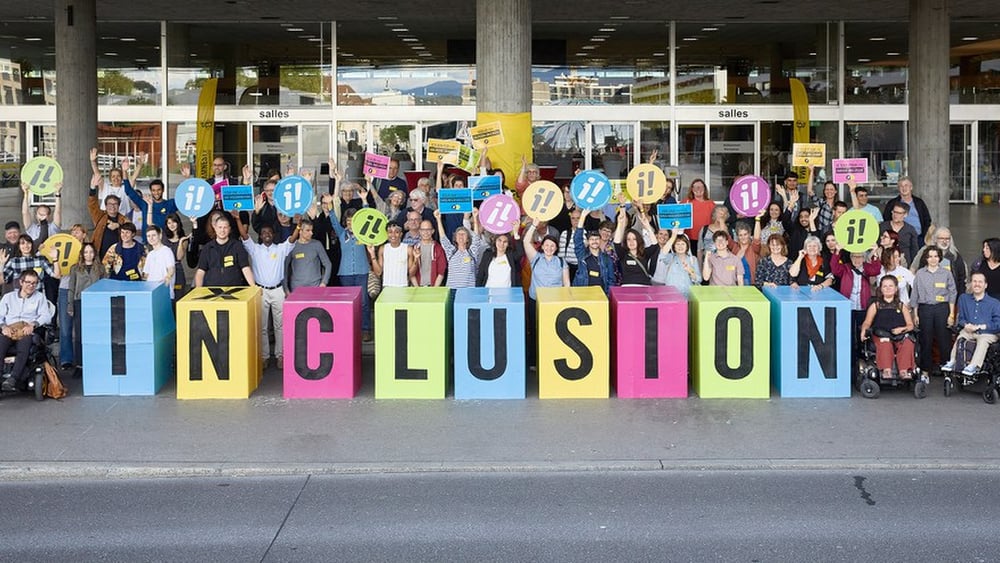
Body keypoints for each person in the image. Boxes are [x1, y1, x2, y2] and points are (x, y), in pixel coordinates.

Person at [237, 216, 295, 368]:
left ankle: (280, 356)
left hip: (278, 290)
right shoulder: (255, 249)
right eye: (264, 232)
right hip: (260, 291)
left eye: (269, 232)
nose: (267, 234)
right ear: (260, 236)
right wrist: (237, 218)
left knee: (280, 325)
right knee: (262, 326)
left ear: (273, 234)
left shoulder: (281, 248)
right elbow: (244, 235)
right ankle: (264, 356)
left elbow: (293, 238)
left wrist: (299, 223)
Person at [523, 219, 570, 368]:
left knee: (553, 332)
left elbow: (566, 283)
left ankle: (551, 361)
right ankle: (534, 361)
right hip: (535, 301)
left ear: (556, 248)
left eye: (552, 246)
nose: (549, 248)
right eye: (547, 245)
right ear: (542, 246)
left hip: (554, 304)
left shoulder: (562, 262)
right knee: (535, 331)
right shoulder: (536, 259)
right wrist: (534, 225)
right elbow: (525, 241)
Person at [0, 270, 53, 392]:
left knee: (26, 340)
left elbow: (46, 316)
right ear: (21, 282)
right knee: (1, 341)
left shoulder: (40, 297)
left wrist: (33, 324)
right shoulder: (8, 297)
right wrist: (3, 327)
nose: (31, 286)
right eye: (28, 282)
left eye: (34, 283)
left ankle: (14, 378)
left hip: (27, 330)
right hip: (9, 329)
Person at [941, 272, 1000, 376]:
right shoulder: (964, 299)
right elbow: (961, 319)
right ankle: (952, 361)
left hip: (987, 332)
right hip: (969, 330)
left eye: (980, 282)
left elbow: (998, 324)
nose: (977, 284)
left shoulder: (994, 303)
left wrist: (982, 326)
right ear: (971, 284)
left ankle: (974, 366)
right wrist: (965, 325)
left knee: (983, 340)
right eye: (974, 281)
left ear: (985, 285)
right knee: (961, 337)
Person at [860, 275, 917, 380]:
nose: (888, 288)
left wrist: (902, 329)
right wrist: (864, 330)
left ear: (896, 289)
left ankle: (904, 371)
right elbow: (867, 322)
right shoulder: (875, 305)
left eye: (891, 286)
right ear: (881, 289)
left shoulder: (901, 306)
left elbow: (910, 325)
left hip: (899, 334)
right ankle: (887, 370)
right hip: (881, 334)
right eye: (885, 286)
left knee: (908, 343)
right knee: (885, 343)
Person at [910, 246, 957, 375]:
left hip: (942, 308)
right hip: (925, 309)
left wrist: (951, 314)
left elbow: (953, 293)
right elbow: (915, 294)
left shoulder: (946, 273)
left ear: (940, 258)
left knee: (944, 339)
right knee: (926, 339)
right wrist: (915, 314)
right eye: (930, 256)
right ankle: (925, 369)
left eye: (936, 256)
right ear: (926, 258)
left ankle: (946, 367)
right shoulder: (920, 273)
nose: (933, 259)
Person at [330, 208, 374, 341]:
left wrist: (365, 202)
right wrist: (331, 208)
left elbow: (368, 219)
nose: (350, 224)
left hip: (362, 271)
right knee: (347, 303)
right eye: (348, 221)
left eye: (353, 221)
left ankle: (365, 329)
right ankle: (348, 329)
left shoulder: (363, 234)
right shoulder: (342, 233)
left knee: (364, 302)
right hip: (345, 273)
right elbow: (334, 223)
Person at [66, 243, 104, 372]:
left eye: (91, 252)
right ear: (82, 254)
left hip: (96, 303)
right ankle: (80, 365)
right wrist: (70, 305)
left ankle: (96, 362)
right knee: (80, 334)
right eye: (86, 252)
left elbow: (105, 286)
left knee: (96, 332)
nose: (89, 255)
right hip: (80, 301)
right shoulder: (75, 268)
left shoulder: (100, 268)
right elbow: (71, 287)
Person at [194, 213, 255, 287]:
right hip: (211, 291)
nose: (222, 230)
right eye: (220, 227)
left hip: (235, 290)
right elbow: (200, 271)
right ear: (215, 228)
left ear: (229, 229)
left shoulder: (237, 246)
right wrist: (198, 290)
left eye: (225, 227)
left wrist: (253, 287)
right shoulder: (207, 248)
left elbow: (245, 268)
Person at [57, 224, 87, 369]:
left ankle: (83, 358)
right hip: (65, 287)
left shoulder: (88, 251)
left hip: (83, 291)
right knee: (65, 326)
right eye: (72, 231)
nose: (74, 233)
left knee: (83, 327)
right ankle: (66, 360)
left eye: (78, 231)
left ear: (84, 235)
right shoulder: (63, 249)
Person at [911, 226, 967, 301]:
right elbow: (920, 274)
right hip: (929, 299)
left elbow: (961, 278)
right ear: (935, 239)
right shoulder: (926, 253)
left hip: (950, 298)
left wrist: (960, 298)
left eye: (947, 239)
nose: (945, 241)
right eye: (942, 238)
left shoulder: (955, 256)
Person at [88, 171, 134, 260]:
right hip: (100, 255)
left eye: (115, 204)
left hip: (118, 257)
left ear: (119, 205)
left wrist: (119, 226)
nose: (112, 207)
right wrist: (93, 188)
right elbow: (92, 204)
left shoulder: (123, 219)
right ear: (105, 206)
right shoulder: (100, 216)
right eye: (110, 204)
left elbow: (132, 229)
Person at [435, 209, 482, 289]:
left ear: (468, 239)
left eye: (463, 234)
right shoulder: (451, 252)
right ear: (455, 238)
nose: (461, 236)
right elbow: (443, 239)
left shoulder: (472, 252)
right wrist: (438, 219)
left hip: (469, 292)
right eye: (459, 234)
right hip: (452, 291)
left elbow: (476, 238)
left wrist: (475, 217)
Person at [284, 219, 332, 292]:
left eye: (311, 230)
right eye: (308, 230)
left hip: (315, 287)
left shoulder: (317, 244)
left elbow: (328, 264)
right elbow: (285, 268)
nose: (311, 233)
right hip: (296, 288)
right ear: (300, 231)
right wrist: (286, 289)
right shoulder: (291, 246)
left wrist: (324, 283)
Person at [572, 212, 616, 294]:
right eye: (592, 239)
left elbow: (611, 280)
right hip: (582, 293)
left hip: (601, 295)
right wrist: (583, 216)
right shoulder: (582, 255)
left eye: (596, 239)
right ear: (588, 242)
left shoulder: (607, 258)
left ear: (600, 240)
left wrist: (608, 296)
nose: (594, 242)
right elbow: (577, 239)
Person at [652, 230, 701, 297]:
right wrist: (673, 236)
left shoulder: (693, 259)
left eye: (683, 244)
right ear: (674, 246)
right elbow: (662, 254)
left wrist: (690, 271)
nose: (680, 246)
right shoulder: (670, 257)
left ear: (687, 246)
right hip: (671, 295)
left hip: (687, 295)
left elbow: (698, 279)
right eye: (677, 244)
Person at [613, 206, 653, 286]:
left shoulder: (644, 253)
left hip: (644, 288)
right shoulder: (623, 254)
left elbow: (655, 244)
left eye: (634, 239)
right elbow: (616, 242)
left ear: (638, 240)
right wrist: (620, 223)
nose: (631, 242)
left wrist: (647, 226)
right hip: (627, 288)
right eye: (628, 239)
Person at [89, 147, 133, 218]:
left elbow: (132, 179)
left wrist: (125, 170)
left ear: (121, 178)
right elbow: (97, 175)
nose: (116, 178)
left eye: (118, 176)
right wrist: (93, 162)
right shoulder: (106, 187)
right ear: (110, 178)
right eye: (113, 176)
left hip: (123, 220)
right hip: (106, 219)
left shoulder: (125, 188)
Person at [21, 181, 61, 246]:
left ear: (48, 216)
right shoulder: (32, 228)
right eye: (40, 214)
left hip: (50, 255)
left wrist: (57, 193)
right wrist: (26, 194)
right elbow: (25, 213)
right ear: (36, 215)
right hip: (35, 255)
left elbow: (58, 212)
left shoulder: (53, 227)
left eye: (44, 214)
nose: (41, 217)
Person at [409, 219, 446, 287]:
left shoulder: (438, 248)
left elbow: (441, 273)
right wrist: (417, 288)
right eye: (423, 230)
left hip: (433, 287)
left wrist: (434, 289)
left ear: (433, 231)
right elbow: (411, 273)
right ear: (419, 231)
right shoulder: (414, 248)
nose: (425, 232)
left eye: (428, 229)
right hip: (417, 286)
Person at [141, 226, 175, 299]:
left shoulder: (166, 251)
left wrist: (168, 277)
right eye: (148, 236)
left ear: (160, 236)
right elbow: (146, 275)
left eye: (154, 235)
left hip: (164, 293)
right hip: (151, 293)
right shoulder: (150, 254)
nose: (151, 238)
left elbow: (171, 269)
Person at [375, 223, 412, 289]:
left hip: (403, 286)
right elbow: (378, 272)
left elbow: (411, 272)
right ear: (387, 234)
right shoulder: (383, 248)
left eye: (396, 232)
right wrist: (372, 254)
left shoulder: (408, 249)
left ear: (401, 234)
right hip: (387, 286)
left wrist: (416, 260)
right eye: (390, 232)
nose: (393, 235)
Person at [162, 214, 190, 299]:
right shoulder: (163, 236)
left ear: (178, 223)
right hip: (164, 269)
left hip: (177, 270)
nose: (172, 225)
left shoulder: (184, 239)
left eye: (174, 222)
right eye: (169, 223)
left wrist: (180, 242)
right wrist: (150, 206)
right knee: (164, 298)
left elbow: (179, 257)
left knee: (178, 296)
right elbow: (150, 224)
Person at [682, 178, 713, 250]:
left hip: (706, 238)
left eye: (701, 187)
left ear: (704, 189)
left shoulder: (711, 204)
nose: (698, 189)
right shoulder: (685, 202)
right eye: (695, 187)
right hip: (689, 238)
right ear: (692, 189)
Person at [729, 220, 762, 286]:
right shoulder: (735, 247)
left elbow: (757, 239)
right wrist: (721, 220)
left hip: (749, 283)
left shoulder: (753, 248)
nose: (743, 237)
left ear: (749, 234)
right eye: (740, 235)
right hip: (734, 282)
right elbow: (726, 237)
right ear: (737, 236)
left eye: (745, 234)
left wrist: (757, 220)